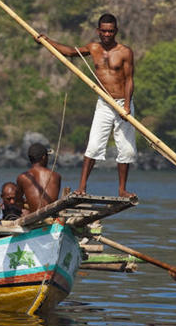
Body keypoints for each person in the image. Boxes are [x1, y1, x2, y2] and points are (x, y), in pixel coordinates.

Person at [38, 13, 137, 197]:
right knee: (93, 145)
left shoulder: (125, 52)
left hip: (123, 102)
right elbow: (70, 52)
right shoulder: (93, 48)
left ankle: (122, 189)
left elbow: (130, 80)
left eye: (111, 31)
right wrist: (48, 41)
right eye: (104, 31)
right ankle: (82, 187)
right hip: (104, 102)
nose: (107, 35)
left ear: (116, 31)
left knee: (126, 148)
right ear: (98, 31)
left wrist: (127, 107)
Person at [16, 142, 62, 212]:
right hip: (51, 218)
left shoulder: (22, 177)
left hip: (34, 219)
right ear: (44, 157)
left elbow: (18, 201)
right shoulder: (56, 176)